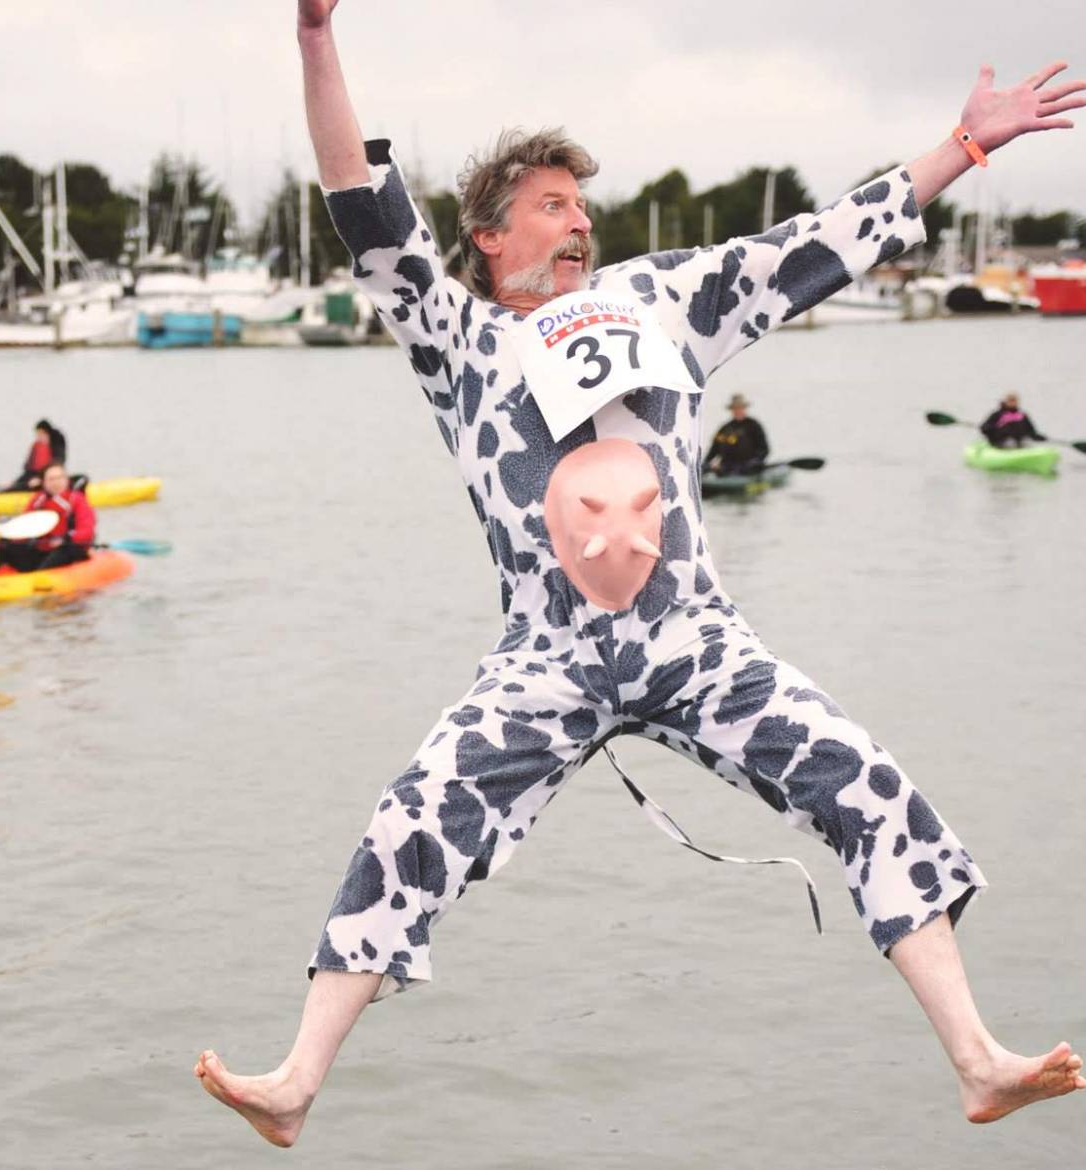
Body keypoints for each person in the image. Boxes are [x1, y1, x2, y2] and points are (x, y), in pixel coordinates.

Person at [194, 6, 1086, 1146]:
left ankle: (978, 1059)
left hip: (694, 644)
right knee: (412, 822)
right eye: (551, 207)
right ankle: (297, 1083)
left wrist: (962, 148)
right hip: (545, 663)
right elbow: (361, 203)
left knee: (867, 788)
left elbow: (819, 245)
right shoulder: (457, 336)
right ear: (490, 239)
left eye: (583, 207)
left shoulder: (664, 302)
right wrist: (317, 38)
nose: (577, 224)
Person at [0, 463, 95, 574]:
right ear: (44, 482)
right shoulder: (38, 500)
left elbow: (87, 531)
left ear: (66, 480)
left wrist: (66, 539)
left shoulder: (77, 500)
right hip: (42, 548)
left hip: (68, 548)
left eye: (60, 478)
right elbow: (24, 527)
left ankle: (40, 577)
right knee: (0, 547)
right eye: (51, 479)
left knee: (61, 553)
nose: (56, 483)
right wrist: (5, 537)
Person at [704, 394, 771, 475]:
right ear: (732, 410)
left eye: (740, 408)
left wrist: (756, 461)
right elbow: (714, 450)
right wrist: (706, 463)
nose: (738, 411)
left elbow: (764, 449)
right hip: (727, 468)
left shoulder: (754, 426)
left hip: (747, 468)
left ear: (744, 408)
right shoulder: (724, 429)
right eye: (735, 408)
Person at [7, 418, 71, 491]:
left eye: (41, 434)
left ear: (47, 433)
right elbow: (29, 468)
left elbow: (57, 463)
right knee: (17, 483)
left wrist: (41, 478)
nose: (39, 436)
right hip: (33, 474)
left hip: (46, 475)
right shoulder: (36, 445)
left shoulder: (56, 444)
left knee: (33, 483)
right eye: (38, 434)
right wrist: (16, 482)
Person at [979, 392, 1047, 447]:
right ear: (1006, 402)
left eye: (1014, 401)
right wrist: (987, 428)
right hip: (1003, 441)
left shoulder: (1022, 416)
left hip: (1019, 441)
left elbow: (1031, 431)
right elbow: (985, 427)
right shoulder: (998, 414)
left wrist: (1040, 437)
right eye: (1010, 401)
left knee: (1027, 442)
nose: (1013, 403)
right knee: (1010, 443)